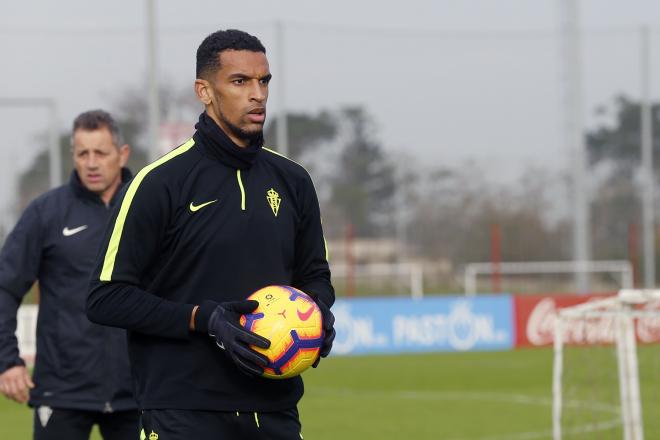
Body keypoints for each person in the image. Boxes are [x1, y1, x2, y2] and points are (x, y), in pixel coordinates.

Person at [86, 29, 336, 439]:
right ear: (204, 91)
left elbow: (314, 277)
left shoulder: (293, 181)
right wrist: (204, 319)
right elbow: (105, 298)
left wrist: (317, 314)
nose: (257, 94)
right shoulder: (159, 183)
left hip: (273, 409)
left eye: (264, 81)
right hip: (182, 411)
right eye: (240, 82)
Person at [0, 110, 138, 439]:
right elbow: (5, 287)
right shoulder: (45, 212)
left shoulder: (148, 208)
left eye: (100, 153)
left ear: (122, 154)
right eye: (82, 153)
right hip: (62, 392)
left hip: (137, 393)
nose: (91, 163)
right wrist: (7, 360)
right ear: (73, 155)